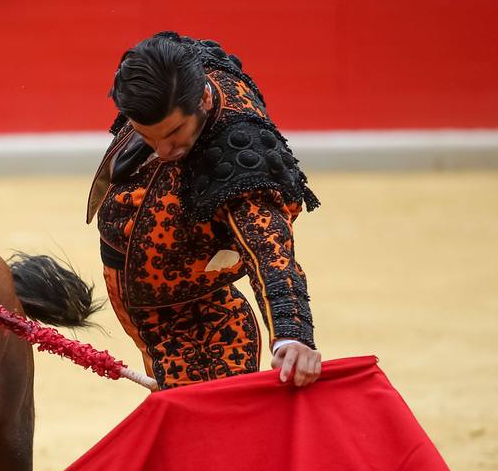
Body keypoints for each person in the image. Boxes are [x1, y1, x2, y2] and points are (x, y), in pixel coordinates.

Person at [87, 31, 322, 390]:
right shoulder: (183, 68)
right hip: (151, 294)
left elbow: (268, 248)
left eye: (176, 131)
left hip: (183, 284)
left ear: (205, 99)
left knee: (208, 408)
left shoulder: (239, 159)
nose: (164, 150)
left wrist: (292, 333)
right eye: (147, 137)